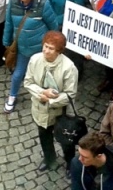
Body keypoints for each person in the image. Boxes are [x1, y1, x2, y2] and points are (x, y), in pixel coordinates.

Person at [24, 30, 79, 172]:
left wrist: (50, 100)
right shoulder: (35, 59)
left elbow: (70, 94)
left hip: (61, 112)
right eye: (45, 46)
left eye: (51, 48)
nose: (46, 51)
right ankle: (49, 159)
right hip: (40, 109)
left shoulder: (69, 67)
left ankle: (70, 165)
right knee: (44, 136)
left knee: (66, 141)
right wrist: (42, 93)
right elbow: (28, 82)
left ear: (59, 51)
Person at [3, 0, 59, 113]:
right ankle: (12, 95)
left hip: (40, 49)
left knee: (43, 75)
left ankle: (44, 97)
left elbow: (53, 26)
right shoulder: (13, 1)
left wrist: (52, 46)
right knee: (17, 74)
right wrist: (6, 41)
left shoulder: (43, 4)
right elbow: (9, 22)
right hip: (22, 47)